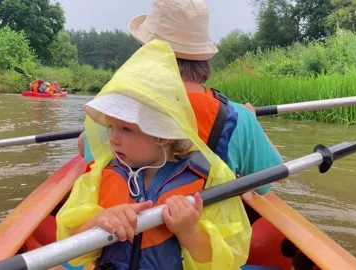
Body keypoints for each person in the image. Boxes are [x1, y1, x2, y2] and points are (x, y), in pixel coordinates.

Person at [57, 40, 251, 270]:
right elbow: (70, 247)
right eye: (111, 127)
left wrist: (189, 231)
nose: (113, 139)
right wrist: (98, 222)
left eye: (126, 129)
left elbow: (225, 261)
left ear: (164, 135)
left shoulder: (209, 178)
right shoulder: (100, 175)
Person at [79, 0, 282, 199]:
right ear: (202, 58)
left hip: (126, 224)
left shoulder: (118, 108)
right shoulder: (240, 118)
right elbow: (269, 179)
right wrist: (252, 120)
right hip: (206, 228)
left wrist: (84, 136)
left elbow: (85, 148)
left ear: (143, 55)